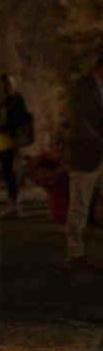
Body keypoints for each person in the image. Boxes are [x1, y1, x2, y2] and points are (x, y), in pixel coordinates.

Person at [65, 53, 103, 270]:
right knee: (79, 206)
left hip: (98, 153)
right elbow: (80, 122)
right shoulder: (82, 87)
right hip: (85, 154)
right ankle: (75, 254)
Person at [0, 74, 31, 216]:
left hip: (10, 139)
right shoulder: (0, 100)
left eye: (7, 84)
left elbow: (20, 118)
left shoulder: (16, 100)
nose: (4, 87)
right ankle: (12, 203)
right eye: (2, 85)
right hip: (0, 140)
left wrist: (4, 126)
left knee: (10, 171)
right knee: (6, 172)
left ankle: (14, 203)